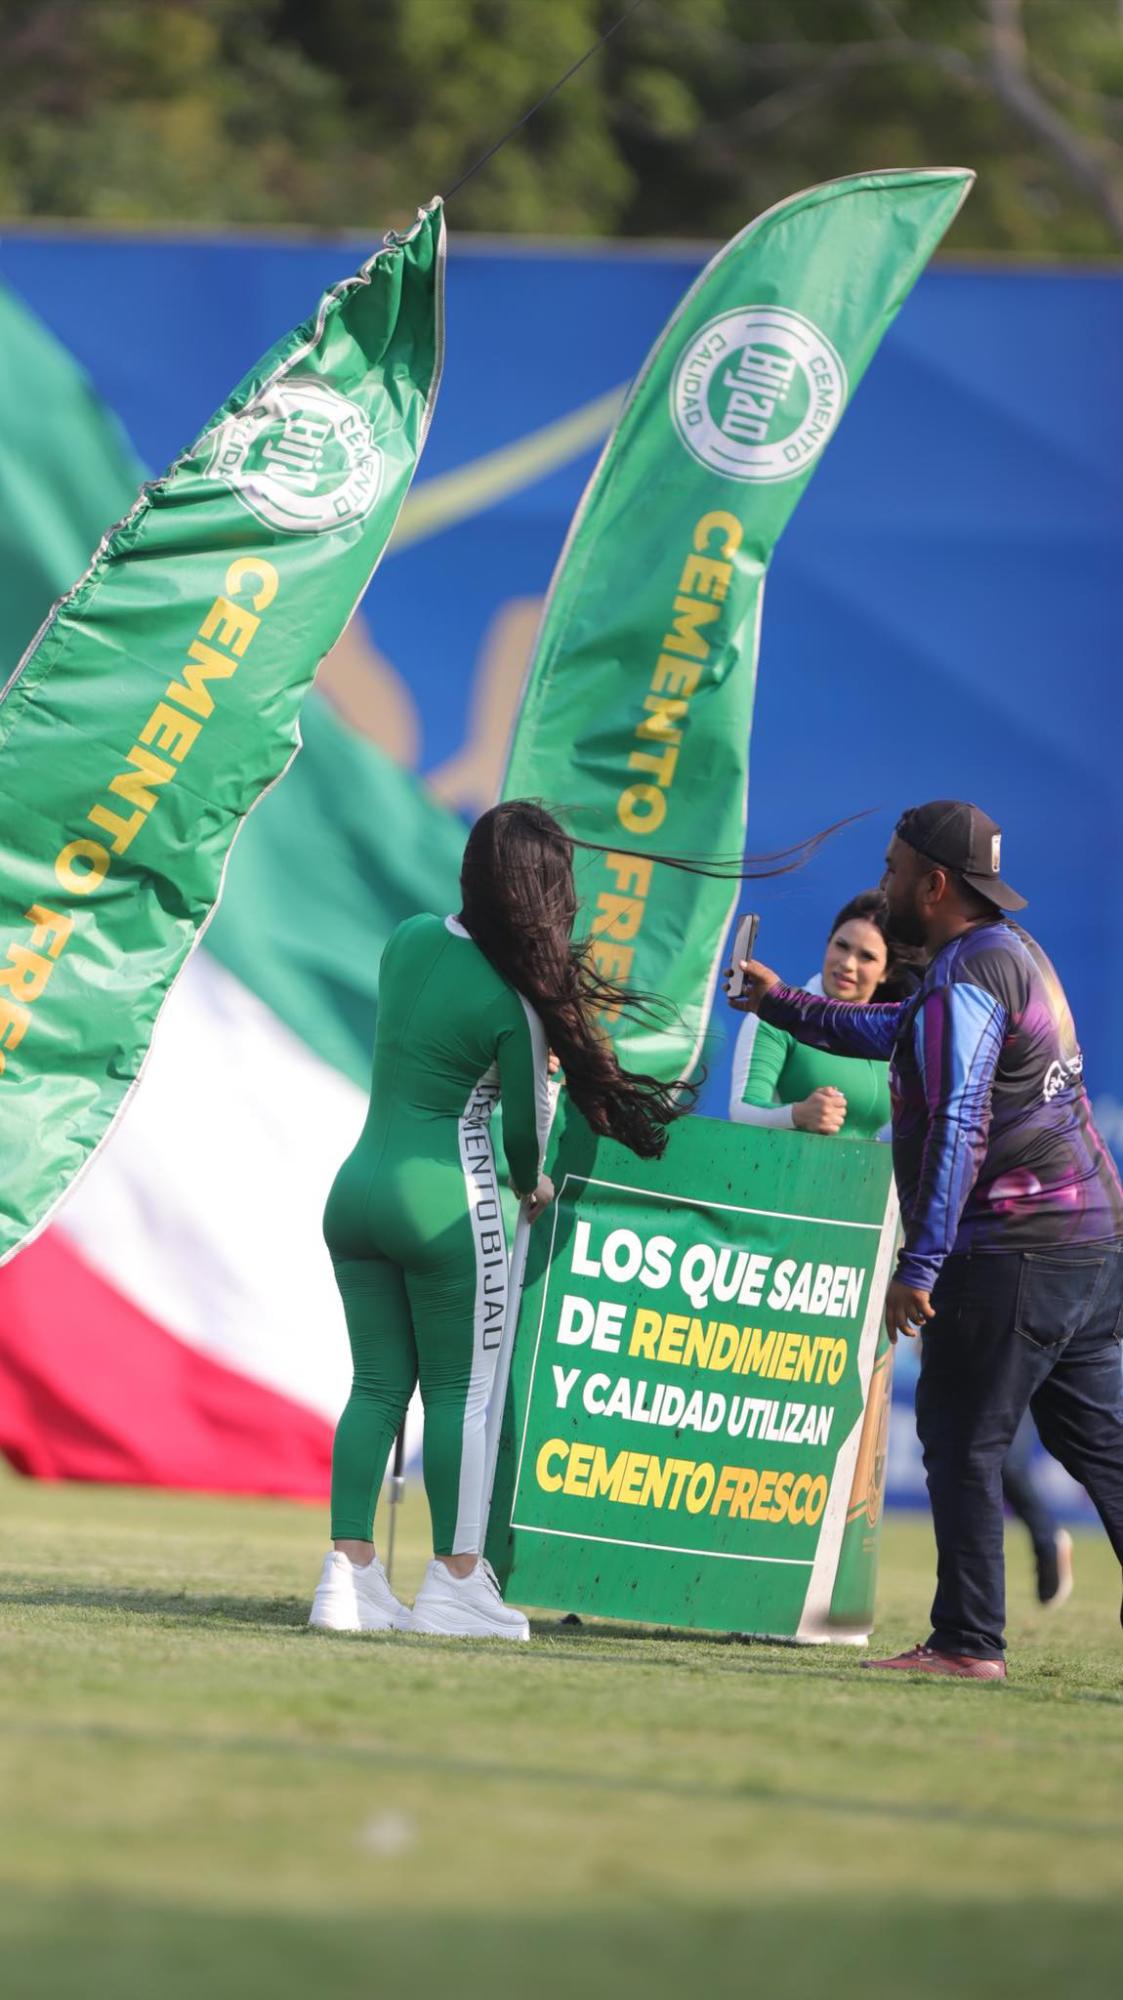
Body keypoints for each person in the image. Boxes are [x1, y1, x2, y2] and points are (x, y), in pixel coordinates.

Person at [729, 800, 1123, 1678]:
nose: (882, 885)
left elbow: (955, 1126)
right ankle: (967, 1637)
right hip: (1091, 1243)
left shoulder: (966, 978)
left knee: (957, 1437)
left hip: (1017, 1249)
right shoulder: (1005, 954)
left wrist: (920, 1263)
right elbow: (899, 1033)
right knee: (1100, 1447)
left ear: (933, 884)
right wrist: (783, 1005)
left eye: (890, 870)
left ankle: (966, 1644)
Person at [310, 800, 688, 1642]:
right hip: (447, 1206)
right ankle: (454, 1585)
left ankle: (346, 1575)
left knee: (374, 1389)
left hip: (355, 1192)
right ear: (544, 894)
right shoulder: (516, 1006)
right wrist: (536, 1183)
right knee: (462, 1396)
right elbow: (520, 1137)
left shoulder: (407, 937)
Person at [729, 890, 911, 1138]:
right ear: (828, 943)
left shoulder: (897, 1035)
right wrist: (797, 1114)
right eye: (842, 946)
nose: (847, 963)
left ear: (886, 971)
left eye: (866, 956)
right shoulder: (772, 1018)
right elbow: (741, 1109)